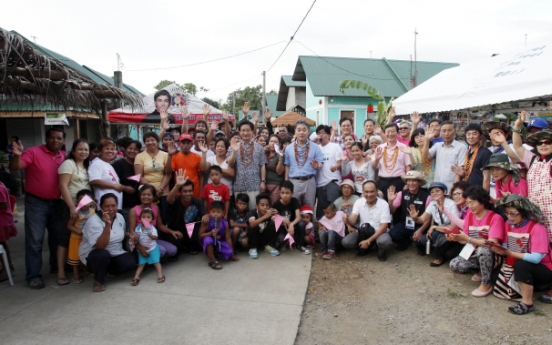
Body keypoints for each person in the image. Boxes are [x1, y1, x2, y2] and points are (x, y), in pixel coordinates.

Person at [9, 127, 67, 289]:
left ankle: (56, 265)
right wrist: (17, 155)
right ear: (46, 139)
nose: (55, 140)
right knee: (35, 241)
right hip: (36, 203)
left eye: (59, 138)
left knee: (57, 237)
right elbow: (16, 166)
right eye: (52, 137)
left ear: (63, 141)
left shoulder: (64, 156)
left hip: (57, 203)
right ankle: (33, 275)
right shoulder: (33, 152)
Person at [491, 195, 552, 314]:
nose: (509, 217)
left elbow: (536, 258)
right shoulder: (508, 224)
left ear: (523, 213)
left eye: (513, 213)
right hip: (517, 264)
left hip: (543, 269)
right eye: (507, 213)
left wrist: (509, 252)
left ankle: (527, 302)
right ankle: (532, 287)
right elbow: (505, 244)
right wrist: (499, 249)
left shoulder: (537, 228)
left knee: (521, 265)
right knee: (495, 277)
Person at [448, 186, 506, 297]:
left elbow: (492, 243)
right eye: (468, 203)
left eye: (472, 203)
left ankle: (486, 284)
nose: (470, 206)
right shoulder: (470, 216)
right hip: (473, 252)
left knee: (484, 250)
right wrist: (456, 238)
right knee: (455, 265)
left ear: (482, 202)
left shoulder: (495, 218)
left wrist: (468, 239)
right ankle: (481, 270)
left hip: (493, 255)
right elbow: (465, 240)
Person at [79, 193, 135, 292]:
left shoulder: (119, 217)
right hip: (94, 254)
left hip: (114, 252)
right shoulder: (94, 222)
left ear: (117, 206)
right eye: (106, 206)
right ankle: (98, 281)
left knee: (130, 264)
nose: (110, 209)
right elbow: (101, 245)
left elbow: (119, 231)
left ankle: (107, 271)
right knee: (102, 255)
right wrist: (107, 225)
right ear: (101, 207)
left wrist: (129, 235)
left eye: (113, 206)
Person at [57, 138, 91, 286]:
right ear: (73, 151)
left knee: (81, 237)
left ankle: (79, 267)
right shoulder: (68, 164)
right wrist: (72, 207)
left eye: (86, 149)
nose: (83, 152)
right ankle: (61, 272)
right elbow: (63, 186)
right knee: (66, 238)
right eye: (80, 149)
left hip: (85, 207)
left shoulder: (85, 165)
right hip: (70, 206)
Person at [342, 180, 393, 261]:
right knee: (346, 242)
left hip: (379, 232)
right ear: (362, 191)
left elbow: (383, 227)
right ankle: (366, 246)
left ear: (377, 191)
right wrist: (347, 219)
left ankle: (380, 250)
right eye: (366, 192)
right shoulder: (359, 202)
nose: (369, 194)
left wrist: (368, 241)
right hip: (363, 231)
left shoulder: (384, 204)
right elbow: (352, 220)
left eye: (372, 191)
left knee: (385, 242)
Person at [412, 182, 461, 265]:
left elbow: (453, 227)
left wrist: (434, 227)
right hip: (440, 229)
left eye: (437, 191)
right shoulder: (432, 204)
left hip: (452, 231)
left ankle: (438, 257)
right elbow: (422, 219)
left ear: (444, 192)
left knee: (434, 235)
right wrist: (415, 218)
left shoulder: (451, 204)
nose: (434, 193)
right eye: (432, 192)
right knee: (423, 240)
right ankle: (439, 250)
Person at [128, 185, 180, 261]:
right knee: (162, 251)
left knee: (173, 250)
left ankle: (152, 257)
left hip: (152, 240)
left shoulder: (155, 208)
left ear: (153, 196)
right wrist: (139, 247)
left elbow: (160, 225)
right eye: (143, 194)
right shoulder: (134, 210)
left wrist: (172, 231)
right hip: (140, 242)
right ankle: (142, 258)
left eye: (149, 194)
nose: (146, 197)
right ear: (140, 196)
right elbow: (131, 231)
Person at [388, 171, 432, 252]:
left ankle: (419, 244)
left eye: (414, 180)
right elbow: (391, 211)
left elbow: (429, 218)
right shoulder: (401, 194)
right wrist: (390, 201)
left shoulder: (427, 197)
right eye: (408, 180)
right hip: (405, 224)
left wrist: (420, 230)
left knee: (422, 240)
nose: (411, 183)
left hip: (420, 225)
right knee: (392, 234)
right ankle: (406, 242)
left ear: (420, 182)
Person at [284, 120, 324, 209]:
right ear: (295, 132)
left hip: (309, 181)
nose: (301, 132)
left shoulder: (315, 147)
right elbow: (287, 166)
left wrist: (317, 166)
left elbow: (320, 162)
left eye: (304, 130)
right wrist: (286, 182)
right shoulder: (289, 148)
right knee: (295, 208)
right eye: (299, 130)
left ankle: (309, 223)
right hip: (294, 181)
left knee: (309, 208)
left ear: (308, 132)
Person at [229, 120, 267, 210]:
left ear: (252, 131)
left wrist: (263, 181)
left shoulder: (259, 148)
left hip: (254, 185)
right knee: (240, 212)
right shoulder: (233, 146)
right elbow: (230, 164)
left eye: (248, 130)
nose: (245, 133)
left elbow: (262, 165)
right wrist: (234, 152)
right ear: (239, 131)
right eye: (243, 130)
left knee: (254, 210)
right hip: (239, 185)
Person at [166, 171, 207, 255]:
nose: (188, 194)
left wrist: (206, 217)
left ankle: (188, 247)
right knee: (175, 244)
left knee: (201, 239)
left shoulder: (196, 201)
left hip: (191, 231)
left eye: (190, 191)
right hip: (176, 231)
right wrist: (177, 185)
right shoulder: (176, 200)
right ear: (179, 192)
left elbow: (205, 214)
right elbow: (169, 199)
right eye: (185, 191)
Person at [134, 131, 171, 223]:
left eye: (152, 140)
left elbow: (168, 174)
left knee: (163, 218)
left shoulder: (166, 155)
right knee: (147, 218)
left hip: (163, 192)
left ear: (157, 141)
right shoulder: (140, 156)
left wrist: (160, 189)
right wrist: (153, 190)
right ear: (144, 143)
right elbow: (139, 176)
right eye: (147, 141)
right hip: (147, 194)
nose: (150, 142)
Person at [422, 121, 467, 193]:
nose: (446, 134)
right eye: (444, 131)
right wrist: (427, 140)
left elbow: (460, 169)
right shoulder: (438, 146)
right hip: (438, 187)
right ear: (440, 132)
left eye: (449, 130)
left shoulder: (461, 147)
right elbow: (425, 157)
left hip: (452, 187)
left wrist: (454, 188)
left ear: (454, 132)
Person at [372, 123, 411, 200]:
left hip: (399, 181)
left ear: (397, 133)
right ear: (385, 133)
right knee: (383, 205)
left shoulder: (404, 147)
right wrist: (376, 159)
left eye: (393, 131)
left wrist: (407, 183)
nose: (390, 134)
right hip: (383, 182)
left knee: (398, 206)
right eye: (387, 132)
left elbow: (408, 167)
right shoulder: (380, 148)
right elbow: (374, 166)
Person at [198, 201, 239, 270]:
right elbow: (200, 235)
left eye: (218, 212)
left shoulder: (225, 223)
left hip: (219, 241)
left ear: (223, 213)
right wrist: (210, 233)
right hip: (209, 240)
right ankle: (212, 260)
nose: (215, 214)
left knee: (229, 253)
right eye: (213, 212)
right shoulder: (207, 221)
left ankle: (216, 252)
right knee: (208, 240)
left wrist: (232, 253)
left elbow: (228, 238)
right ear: (210, 212)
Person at [66, 189, 95, 284]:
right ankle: (76, 275)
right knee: (75, 257)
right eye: (81, 200)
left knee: (86, 254)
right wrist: (78, 232)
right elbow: (69, 226)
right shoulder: (76, 213)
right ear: (77, 201)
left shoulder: (93, 211)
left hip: (87, 238)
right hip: (76, 238)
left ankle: (85, 270)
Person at [130, 208, 164, 286]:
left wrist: (151, 236)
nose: (145, 219)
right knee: (141, 264)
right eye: (143, 217)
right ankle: (136, 277)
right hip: (142, 249)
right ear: (140, 218)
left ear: (152, 220)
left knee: (156, 262)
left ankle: (160, 275)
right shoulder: (137, 228)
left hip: (152, 248)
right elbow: (136, 238)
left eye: (148, 217)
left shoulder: (152, 228)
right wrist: (135, 239)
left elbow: (155, 237)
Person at [315, 125, 343, 220]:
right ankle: (321, 230)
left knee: (332, 208)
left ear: (328, 134)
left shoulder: (335, 146)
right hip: (319, 183)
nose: (321, 135)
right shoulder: (316, 148)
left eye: (323, 133)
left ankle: (335, 230)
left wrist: (335, 167)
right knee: (321, 209)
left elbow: (340, 163)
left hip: (332, 182)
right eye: (318, 133)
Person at [272, 181, 309, 254]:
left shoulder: (294, 201)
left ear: (292, 193)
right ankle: (284, 242)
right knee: (280, 239)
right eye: (282, 193)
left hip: (293, 226)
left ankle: (299, 245)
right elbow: (274, 218)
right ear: (279, 192)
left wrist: (292, 224)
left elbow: (298, 217)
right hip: (282, 227)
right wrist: (282, 219)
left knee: (301, 224)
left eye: (287, 193)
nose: (285, 195)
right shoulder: (276, 204)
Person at [88, 138, 125, 210]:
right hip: (105, 206)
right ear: (100, 151)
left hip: (114, 206)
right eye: (107, 149)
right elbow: (94, 180)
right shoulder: (97, 163)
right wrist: (114, 186)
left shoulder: (108, 164)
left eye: (112, 149)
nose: (110, 151)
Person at [453, 124, 491, 189]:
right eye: (468, 134)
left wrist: (484, 196)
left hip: (478, 192)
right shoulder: (467, 152)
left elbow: (487, 178)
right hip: (467, 191)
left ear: (481, 136)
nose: (471, 137)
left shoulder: (485, 153)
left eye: (474, 134)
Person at [111, 140, 141, 224]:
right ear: (126, 149)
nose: (132, 151)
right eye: (130, 148)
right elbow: (111, 181)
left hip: (139, 203)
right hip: (124, 203)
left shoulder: (140, 164)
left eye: (135, 149)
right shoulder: (118, 164)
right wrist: (124, 187)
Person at [246, 194, 279, 259]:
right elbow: (252, 224)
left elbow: (277, 222)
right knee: (254, 225)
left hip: (264, 237)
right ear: (257, 206)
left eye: (267, 205)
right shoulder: (252, 212)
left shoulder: (270, 213)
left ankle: (269, 246)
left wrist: (277, 215)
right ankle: (253, 248)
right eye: (262, 205)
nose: (265, 207)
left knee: (273, 223)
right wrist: (265, 217)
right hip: (254, 238)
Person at [170, 133, 202, 198]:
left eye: (188, 143)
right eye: (183, 143)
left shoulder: (198, 157)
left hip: (194, 190)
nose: (185, 145)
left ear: (191, 144)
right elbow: (169, 171)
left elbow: (201, 176)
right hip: (179, 190)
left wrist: (201, 193)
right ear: (179, 144)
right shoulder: (174, 157)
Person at [0, 176, 17, 282]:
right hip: (3, 220)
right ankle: (8, 266)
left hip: (2, 221)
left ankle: (7, 268)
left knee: (1, 245)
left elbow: (3, 204)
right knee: (2, 245)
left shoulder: (0, 188)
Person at [264, 135, 285, 204]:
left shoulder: (281, 155)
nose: (273, 143)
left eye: (275, 142)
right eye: (271, 141)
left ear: (279, 144)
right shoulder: (264, 154)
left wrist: (280, 158)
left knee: (274, 207)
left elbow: (279, 172)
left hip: (276, 186)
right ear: (268, 143)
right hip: (264, 185)